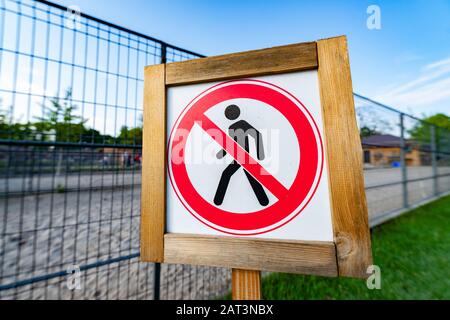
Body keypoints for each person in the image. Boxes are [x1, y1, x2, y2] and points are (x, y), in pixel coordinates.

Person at [213, 104, 269, 206]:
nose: (228, 115)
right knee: (248, 175)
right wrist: (221, 154)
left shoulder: (242, 123)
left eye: (230, 113)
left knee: (226, 174)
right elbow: (232, 144)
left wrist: (260, 154)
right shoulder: (231, 127)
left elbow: (257, 135)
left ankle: (218, 201)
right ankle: (264, 201)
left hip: (244, 154)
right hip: (238, 155)